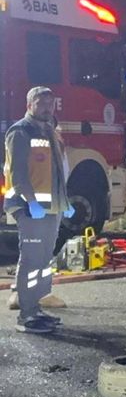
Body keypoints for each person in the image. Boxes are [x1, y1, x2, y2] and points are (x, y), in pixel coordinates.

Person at [3, 87, 74, 333]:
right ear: (30, 104)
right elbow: (18, 174)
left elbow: (56, 173)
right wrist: (31, 201)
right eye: (42, 103)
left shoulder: (51, 132)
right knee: (32, 259)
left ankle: (37, 306)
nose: (47, 108)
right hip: (29, 208)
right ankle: (27, 313)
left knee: (44, 261)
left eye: (50, 103)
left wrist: (65, 203)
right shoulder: (21, 131)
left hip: (50, 209)